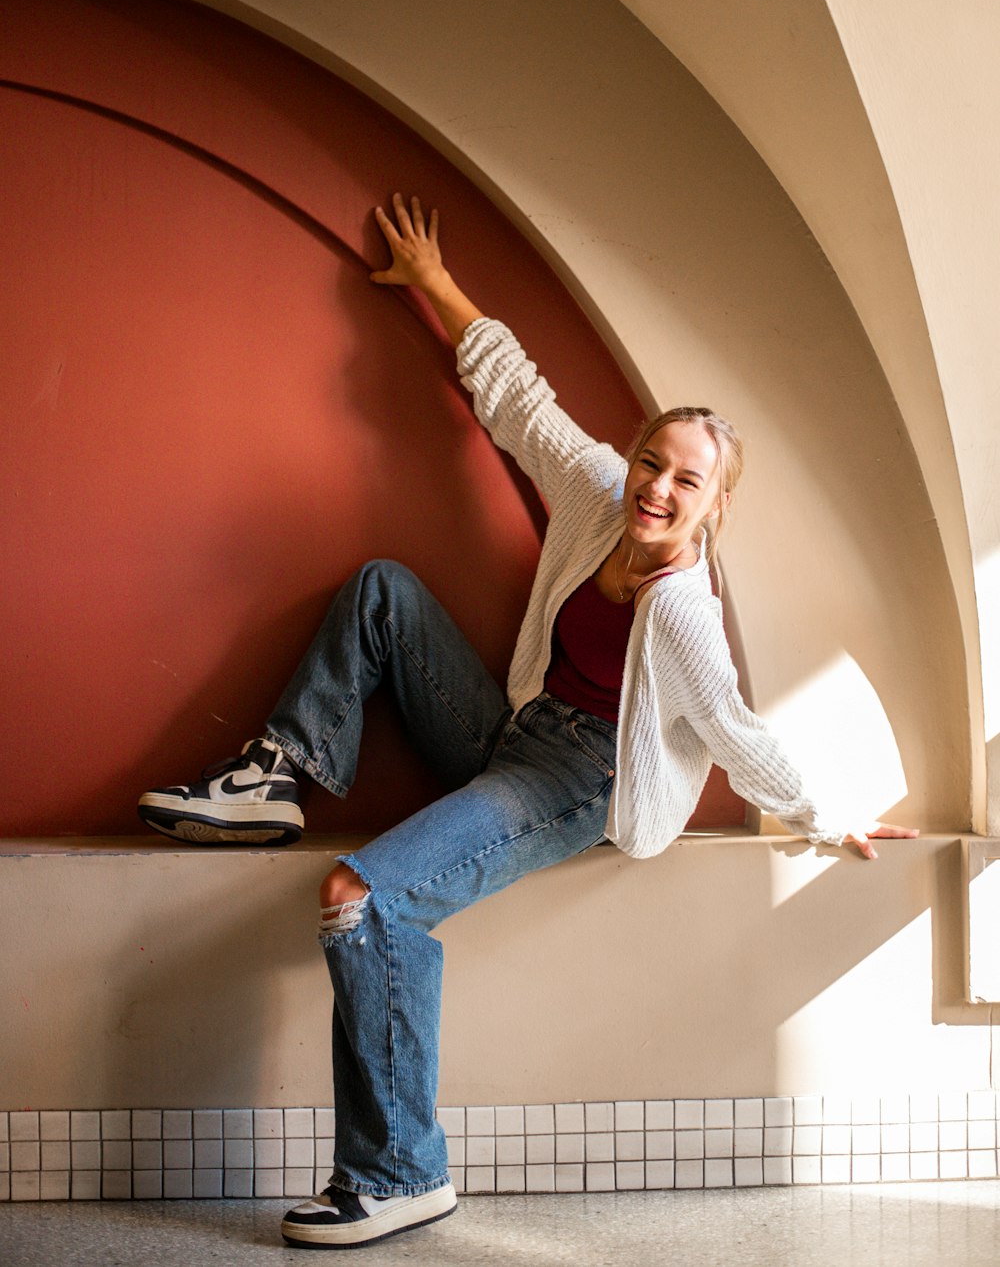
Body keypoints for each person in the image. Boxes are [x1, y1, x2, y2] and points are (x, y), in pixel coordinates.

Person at [138, 193, 918, 1249]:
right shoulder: (600, 494)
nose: (656, 488)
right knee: (383, 589)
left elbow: (739, 734)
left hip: (578, 782)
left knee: (359, 898)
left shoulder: (684, 615)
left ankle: (400, 1173)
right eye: (651, 461)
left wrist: (827, 817)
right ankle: (276, 770)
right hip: (518, 725)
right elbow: (518, 399)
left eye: (686, 481)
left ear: (713, 506)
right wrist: (432, 283)